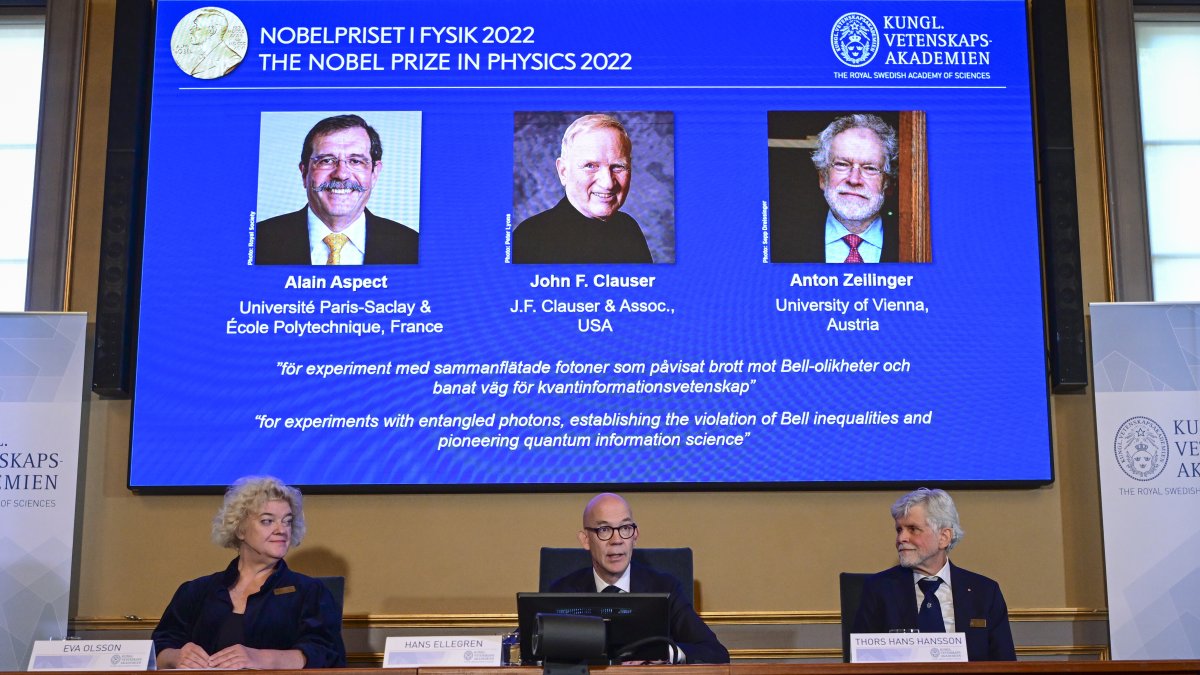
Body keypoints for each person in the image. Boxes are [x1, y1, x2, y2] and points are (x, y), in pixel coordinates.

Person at [152, 476, 346, 668]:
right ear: (240, 529)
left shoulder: (311, 593)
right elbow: (159, 649)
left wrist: (260, 658)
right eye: (267, 521)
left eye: (287, 521)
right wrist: (177, 657)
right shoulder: (195, 591)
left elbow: (327, 654)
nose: (281, 529)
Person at [547, 493, 729, 664]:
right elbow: (532, 654)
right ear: (586, 540)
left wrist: (664, 652)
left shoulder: (665, 588)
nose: (616, 540)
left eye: (625, 528)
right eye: (604, 530)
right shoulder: (561, 592)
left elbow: (715, 653)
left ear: (635, 535)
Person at [852, 488, 1016, 661]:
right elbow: (862, 662)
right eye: (899, 530)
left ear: (943, 537)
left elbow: (1005, 665)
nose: (901, 538)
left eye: (913, 529)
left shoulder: (985, 592)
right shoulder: (879, 589)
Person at [255, 114, 418, 265]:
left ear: (374, 173)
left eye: (355, 161)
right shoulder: (257, 241)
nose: (341, 174)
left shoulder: (412, 246)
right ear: (305, 172)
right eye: (326, 161)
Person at [513, 114, 653, 263]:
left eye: (618, 167)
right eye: (590, 166)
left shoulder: (628, 229)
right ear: (563, 172)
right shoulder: (530, 238)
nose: (608, 183)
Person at [772, 113, 900, 263]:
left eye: (870, 168)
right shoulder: (781, 241)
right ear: (823, 178)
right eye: (842, 164)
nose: (854, 179)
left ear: (888, 183)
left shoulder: (912, 246)